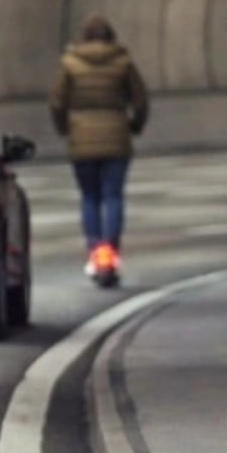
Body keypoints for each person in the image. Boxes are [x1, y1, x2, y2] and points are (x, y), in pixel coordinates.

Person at [49, 14, 150, 281]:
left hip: (81, 140)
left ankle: (96, 250)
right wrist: (135, 126)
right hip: (116, 138)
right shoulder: (123, 62)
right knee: (113, 196)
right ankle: (111, 252)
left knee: (90, 196)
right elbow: (140, 100)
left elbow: (57, 102)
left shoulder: (69, 64)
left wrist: (64, 128)